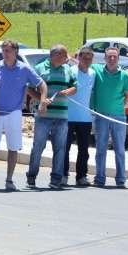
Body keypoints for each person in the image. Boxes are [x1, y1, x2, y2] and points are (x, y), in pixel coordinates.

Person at [0, 40, 46, 191]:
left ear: (15, 52)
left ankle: (9, 179)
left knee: (13, 148)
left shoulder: (24, 69)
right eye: (4, 50)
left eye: (8, 51)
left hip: (14, 113)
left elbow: (41, 84)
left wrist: (43, 100)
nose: (5, 53)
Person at [26, 44, 77, 189]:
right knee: (38, 146)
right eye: (65, 55)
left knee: (60, 148)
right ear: (56, 55)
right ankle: (31, 176)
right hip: (43, 115)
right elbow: (29, 88)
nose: (67, 59)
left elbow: (75, 86)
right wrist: (41, 99)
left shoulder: (67, 69)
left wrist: (68, 91)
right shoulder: (40, 68)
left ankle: (56, 179)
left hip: (62, 115)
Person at [90, 47, 128, 188]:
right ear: (105, 58)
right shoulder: (97, 70)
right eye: (109, 56)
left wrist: (120, 107)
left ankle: (121, 179)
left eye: (114, 57)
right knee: (100, 149)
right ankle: (100, 178)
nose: (112, 59)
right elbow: (82, 62)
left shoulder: (124, 75)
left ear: (118, 58)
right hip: (101, 116)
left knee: (120, 149)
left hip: (118, 118)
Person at [63, 47, 95, 186]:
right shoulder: (71, 71)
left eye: (89, 58)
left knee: (84, 150)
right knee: (65, 148)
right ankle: (63, 174)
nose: (87, 60)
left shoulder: (93, 73)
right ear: (79, 58)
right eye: (84, 57)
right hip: (68, 117)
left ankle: (81, 176)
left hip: (85, 118)